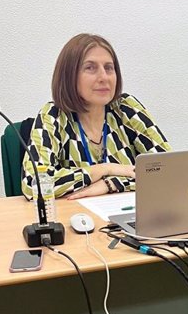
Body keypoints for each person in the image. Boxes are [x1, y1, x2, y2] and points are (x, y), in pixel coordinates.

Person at [22, 33, 171, 200]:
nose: (103, 77)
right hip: (76, 219)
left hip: (129, 217)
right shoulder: (54, 116)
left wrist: (111, 184)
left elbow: (170, 171)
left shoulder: (126, 108)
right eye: (90, 68)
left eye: (109, 68)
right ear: (69, 75)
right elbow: (33, 183)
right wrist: (105, 169)